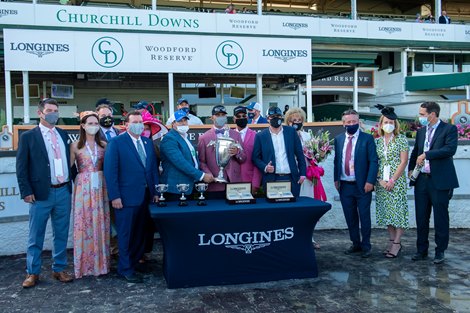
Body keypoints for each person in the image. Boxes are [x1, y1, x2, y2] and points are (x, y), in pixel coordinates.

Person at [16, 98, 73, 288]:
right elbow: (22, 167)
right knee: (36, 234)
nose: (53, 113)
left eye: (56, 110)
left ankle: (59, 269)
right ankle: (33, 272)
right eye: (49, 110)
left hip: (63, 190)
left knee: (62, 233)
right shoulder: (28, 137)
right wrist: (26, 191)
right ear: (40, 113)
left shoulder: (63, 135)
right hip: (41, 193)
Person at [104, 110, 159, 283]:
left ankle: (134, 263)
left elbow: (152, 169)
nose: (138, 125)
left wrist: (155, 191)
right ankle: (125, 269)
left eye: (140, 122)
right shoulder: (116, 143)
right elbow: (110, 172)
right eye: (134, 122)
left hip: (145, 196)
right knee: (125, 234)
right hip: (125, 198)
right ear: (126, 125)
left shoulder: (147, 142)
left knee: (140, 234)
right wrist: (115, 196)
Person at [409, 102, 459, 264]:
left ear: (432, 114)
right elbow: (415, 152)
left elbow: (450, 150)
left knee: (440, 217)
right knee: (421, 217)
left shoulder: (449, 129)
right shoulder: (421, 131)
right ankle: (421, 250)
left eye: (422, 114)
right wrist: (411, 169)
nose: (420, 117)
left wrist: (427, 155)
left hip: (440, 180)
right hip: (422, 180)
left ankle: (440, 251)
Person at [70, 111, 110, 278]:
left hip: (101, 184)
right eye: (90, 123)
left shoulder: (104, 144)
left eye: (96, 123)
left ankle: (101, 264)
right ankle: (84, 265)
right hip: (83, 186)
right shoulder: (74, 145)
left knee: (101, 221)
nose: (93, 126)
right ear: (83, 125)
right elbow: (70, 169)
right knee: (84, 223)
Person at [333, 109, 378, 258]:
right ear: (343, 123)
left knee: (364, 216)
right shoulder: (339, 139)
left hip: (363, 185)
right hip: (345, 185)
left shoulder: (367, 139)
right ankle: (355, 243)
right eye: (348, 122)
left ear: (358, 122)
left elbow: (373, 161)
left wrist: (370, 181)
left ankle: (366, 245)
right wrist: (336, 179)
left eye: (354, 121)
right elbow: (337, 161)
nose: (351, 124)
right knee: (350, 216)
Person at [374, 105, 409, 259]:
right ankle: (391, 240)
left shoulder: (401, 139)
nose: (389, 125)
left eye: (392, 123)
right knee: (387, 212)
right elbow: (374, 162)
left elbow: (404, 161)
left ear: (395, 124)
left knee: (398, 211)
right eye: (386, 122)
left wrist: (393, 179)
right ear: (381, 124)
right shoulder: (377, 142)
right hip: (381, 181)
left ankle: (397, 243)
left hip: (397, 181)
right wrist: (379, 180)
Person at [285, 107, 321, 249]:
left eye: (299, 120)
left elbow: (313, 155)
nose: (297, 122)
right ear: (288, 121)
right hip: (290, 176)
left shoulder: (307, 137)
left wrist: (317, 158)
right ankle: (292, 237)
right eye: (294, 120)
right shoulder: (285, 136)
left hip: (306, 177)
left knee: (307, 207)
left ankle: (309, 237)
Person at [252, 107, 306, 197]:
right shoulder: (260, 136)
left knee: (293, 208)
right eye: (272, 116)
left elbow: (299, 154)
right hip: (271, 179)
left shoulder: (291, 132)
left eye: (278, 116)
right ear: (267, 119)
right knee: (274, 209)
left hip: (291, 178)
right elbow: (255, 158)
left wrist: (303, 173)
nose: (276, 118)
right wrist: (265, 167)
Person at [160, 110, 215, 200]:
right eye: (180, 121)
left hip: (188, 186)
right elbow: (180, 162)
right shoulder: (169, 139)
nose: (183, 123)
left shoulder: (184, 137)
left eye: (185, 120)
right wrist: (201, 176)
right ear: (173, 123)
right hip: (176, 189)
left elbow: (193, 159)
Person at [197, 105, 246, 198]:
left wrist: (237, 153)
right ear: (212, 117)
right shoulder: (204, 138)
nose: (220, 117)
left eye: (223, 115)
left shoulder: (236, 135)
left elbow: (243, 158)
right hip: (214, 184)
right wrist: (209, 175)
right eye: (217, 115)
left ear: (226, 117)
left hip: (233, 182)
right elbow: (202, 162)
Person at [96, 103, 120, 258]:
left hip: (120, 181)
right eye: (103, 116)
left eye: (109, 115)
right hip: (101, 182)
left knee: (118, 217)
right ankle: (109, 251)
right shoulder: (93, 134)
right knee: (105, 217)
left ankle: (120, 249)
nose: (107, 118)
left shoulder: (119, 132)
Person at [232, 106, 262, 194]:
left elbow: (258, 160)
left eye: (244, 116)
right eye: (239, 116)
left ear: (247, 117)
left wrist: (255, 184)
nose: (241, 118)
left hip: (249, 181)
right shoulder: (228, 135)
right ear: (234, 119)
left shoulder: (256, 136)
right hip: (232, 182)